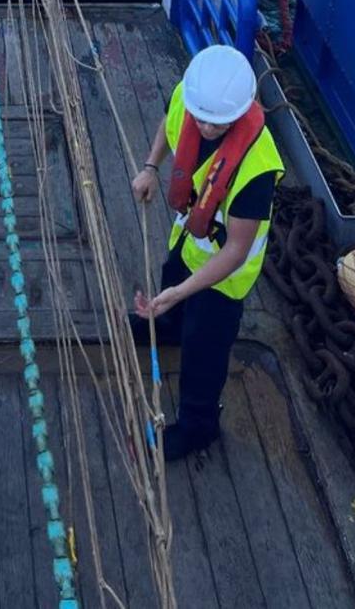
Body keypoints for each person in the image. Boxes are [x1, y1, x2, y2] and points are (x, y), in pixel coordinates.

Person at [129, 44, 284, 461]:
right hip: (190, 238)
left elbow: (236, 251)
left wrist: (181, 292)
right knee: (171, 282)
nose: (205, 126)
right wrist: (150, 167)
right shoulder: (191, 99)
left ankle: (199, 428)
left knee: (205, 348)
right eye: (201, 117)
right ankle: (167, 328)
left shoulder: (257, 169)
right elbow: (170, 121)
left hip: (225, 276)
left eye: (217, 123)